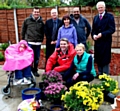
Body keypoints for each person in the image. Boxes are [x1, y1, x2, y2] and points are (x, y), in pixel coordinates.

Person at [91, 1, 115, 76]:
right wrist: (93, 35)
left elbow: (112, 29)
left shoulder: (110, 16)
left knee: (105, 58)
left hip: (106, 42)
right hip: (97, 42)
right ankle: (100, 73)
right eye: (99, 8)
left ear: (104, 8)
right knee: (98, 58)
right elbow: (93, 30)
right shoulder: (95, 17)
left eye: (101, 7)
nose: (100, 9)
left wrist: (102, 34)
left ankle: (105, 75)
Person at [21, 6, 44, 77]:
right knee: (29, 57)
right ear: (32, 12)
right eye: (35, 12)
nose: (36, 13)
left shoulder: (41, 22)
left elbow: (43, 32)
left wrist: (41, 39)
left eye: (37, 12)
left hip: (38, 43)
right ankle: (29, 71)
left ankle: (35, 70)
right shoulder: (27, 20)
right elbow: (23, 31)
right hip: (29, 43)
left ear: (39, 13)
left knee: (36, 58)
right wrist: (23, 41)